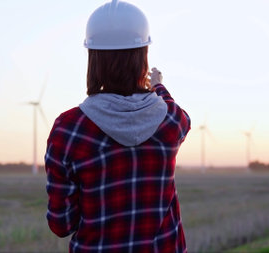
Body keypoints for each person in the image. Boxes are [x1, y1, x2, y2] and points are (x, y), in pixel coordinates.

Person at [45, 0, 190, 252]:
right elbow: (175, 112)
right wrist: (158, 86)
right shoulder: (171, 121)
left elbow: (62, 224)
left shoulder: (68, 130)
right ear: (143, 56)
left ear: (93, 58)